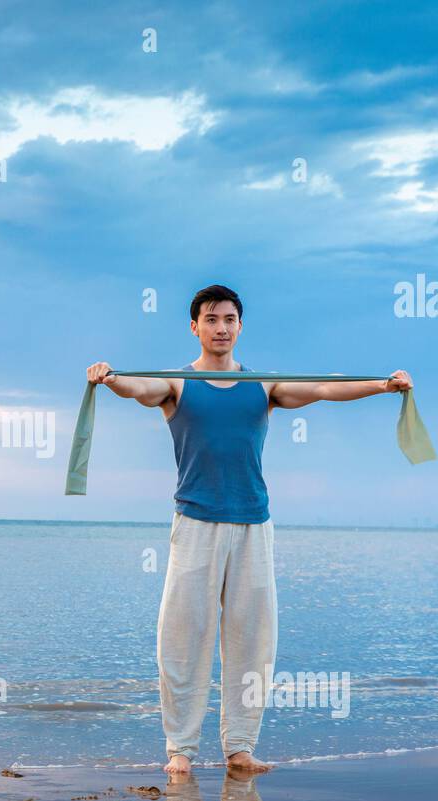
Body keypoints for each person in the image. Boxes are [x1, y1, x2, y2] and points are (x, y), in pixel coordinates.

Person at [85, 285, 412, 775]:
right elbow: (140, 389)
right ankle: (180, 749)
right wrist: (110, 378)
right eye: (211, 319)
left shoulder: (263, 385)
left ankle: (239, 748)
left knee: (253, 640)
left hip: (254, 524)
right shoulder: (176, 383)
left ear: (240, 326)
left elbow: (325, 388)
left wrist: (384, 386)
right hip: (195, 523)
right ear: (194, 327)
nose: (221, 328)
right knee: (183, 637)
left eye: (230, 319)